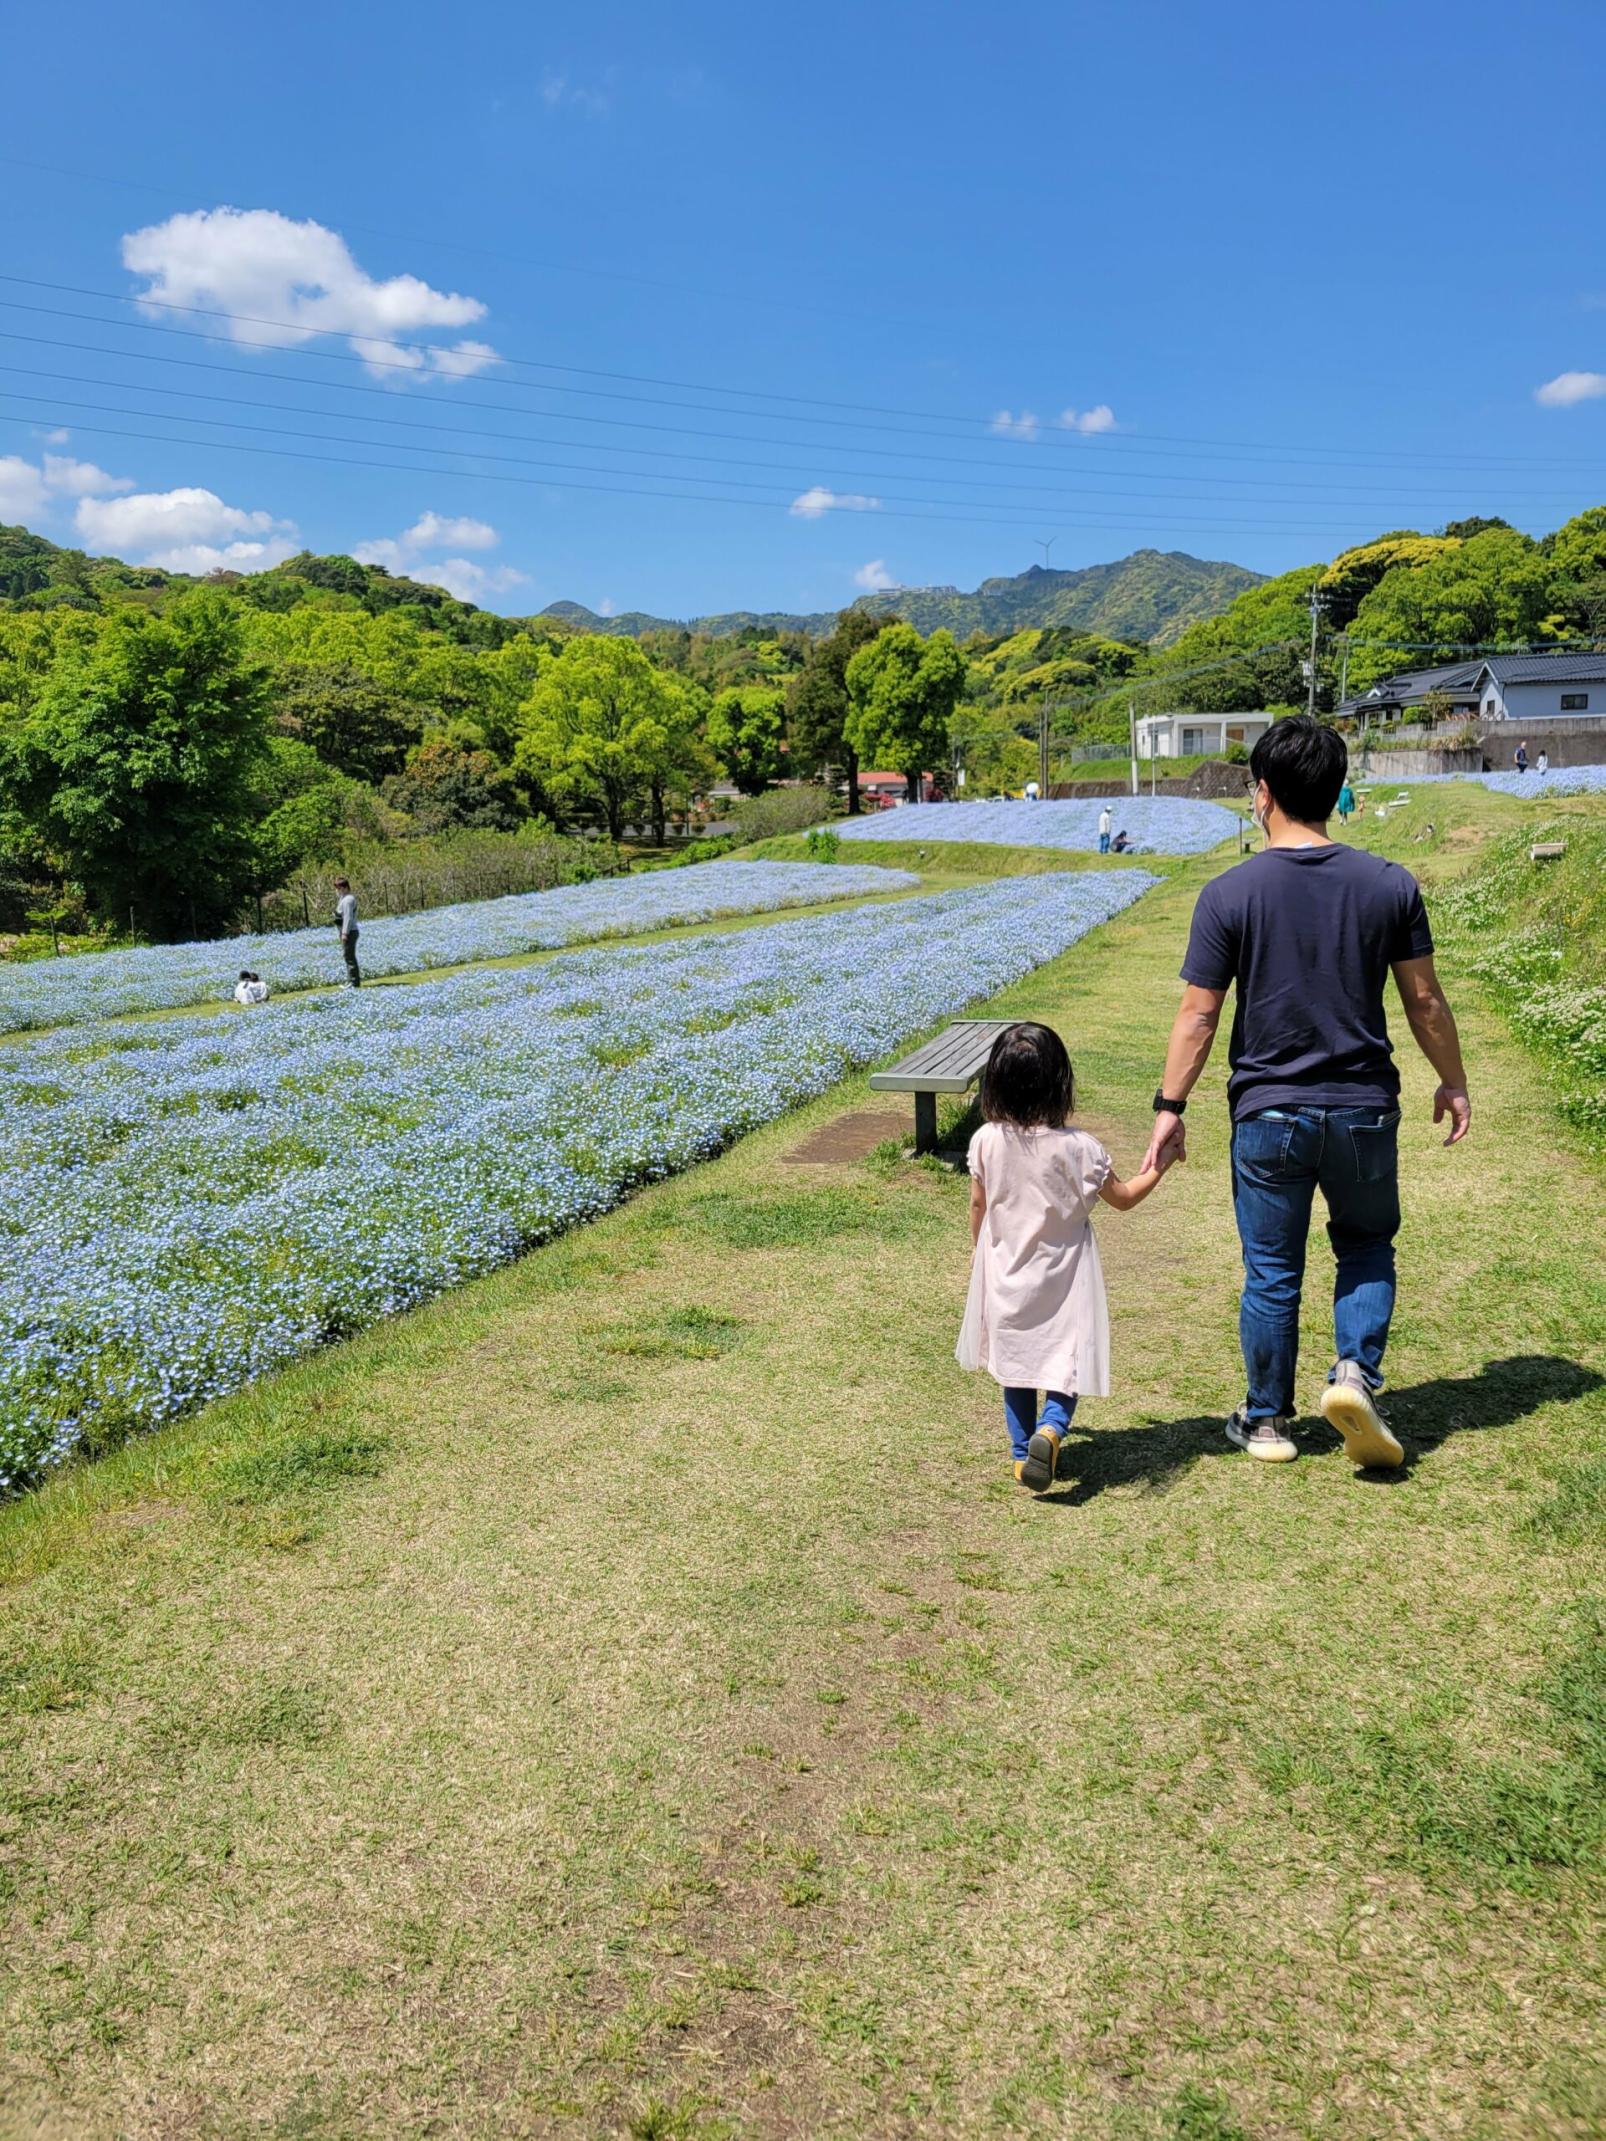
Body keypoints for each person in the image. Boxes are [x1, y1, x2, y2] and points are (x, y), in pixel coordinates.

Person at [1143, 716, 1470, 1472]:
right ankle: (1354, 1375)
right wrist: (1451, 1080)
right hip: (1362, 1108)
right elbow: (1424, 1001)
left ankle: (1266, 1421)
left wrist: (1170, 1109)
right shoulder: (1390, 884)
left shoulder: (1229, 892)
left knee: (1271, 1269)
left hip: (1268, 1111)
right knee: (1364, 1244)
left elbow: (1199, 1013)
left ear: (1262, 794)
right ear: (1336, 791)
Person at [959, 1022, 1174, 1493]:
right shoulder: (1082, 1149)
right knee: (1065, 1358)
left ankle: (1022, 1457)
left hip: (1006, 1274)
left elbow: (979, 1205)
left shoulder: (986, 1141)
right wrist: (1162, 1162)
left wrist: (980, 1250)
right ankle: (1052, 1428)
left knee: (1014, 1364)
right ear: (1060, 1082)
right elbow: (1124, 1198)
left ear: (995, 1081)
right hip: (1065, 1277)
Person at [333, 877, 361, 987]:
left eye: (338, 888)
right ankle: (351, 980)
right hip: (347, 931)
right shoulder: (344, 899)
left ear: (344, 888)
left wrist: (345, 933)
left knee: (349, 956)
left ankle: (354, 982)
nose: (337, 891)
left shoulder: (348, 900)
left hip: (349, 932)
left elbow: (348, 917)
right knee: (347, 956)